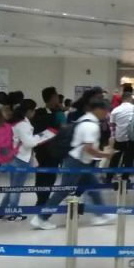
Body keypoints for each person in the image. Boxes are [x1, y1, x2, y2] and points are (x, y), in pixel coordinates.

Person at [30, 97, 117, 230]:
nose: (107, 114)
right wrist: (105, 155)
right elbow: (88, 148)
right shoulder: (91, 126)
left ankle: (101, 215)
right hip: (77, 162)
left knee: (93, 186)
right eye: (105, 110)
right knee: (64, 190)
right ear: (98, 110)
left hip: (80, 161)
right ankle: (41, 218)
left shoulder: (84, 119)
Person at [0, 99, 55, 220]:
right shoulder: (23, 124)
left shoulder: (16, 122)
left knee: (13, 187)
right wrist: (40, 137)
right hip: (21, 158)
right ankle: (13, 213)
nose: (34, 113)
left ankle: (1, 211)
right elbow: (29, 143)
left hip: (14, 156)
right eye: (33, 110)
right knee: (16, 188)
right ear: (29, 111)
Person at [31, 87, 64, 206]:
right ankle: (41, 199)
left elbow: (63, 128)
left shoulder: (59, 113)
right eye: (56, 96)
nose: (58, 99)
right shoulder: (39, 113)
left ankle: (45, 199)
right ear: (52, 98)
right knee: (41, 175)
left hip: (55, 152)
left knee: (51, 176)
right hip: (42, 151)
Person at [108, 91, 134, 183]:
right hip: (132, 138)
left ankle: (109, 177)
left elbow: (112, 126)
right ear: (129, 98)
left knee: (115, 158)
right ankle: (125, 178)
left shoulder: (115, 110)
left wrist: (113, 137)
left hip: (119, 137)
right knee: (129, 158)